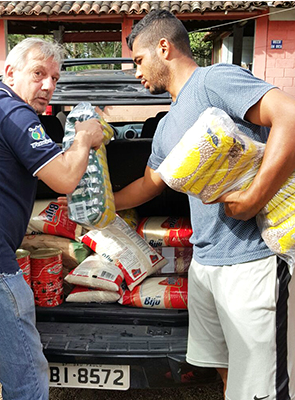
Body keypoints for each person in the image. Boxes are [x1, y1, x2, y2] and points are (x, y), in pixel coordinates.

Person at [114, 10, 295, 400]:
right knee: (229, 381)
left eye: (139, 61)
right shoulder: (165, 126)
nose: (136, 72)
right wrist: (100, 205)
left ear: (164, 48)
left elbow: (290, 118)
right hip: (206, 265)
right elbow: (149, 185)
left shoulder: (214, 81)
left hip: (252, 263)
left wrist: (253, 198)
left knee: (262, 388)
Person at [0, 38, 104, 400]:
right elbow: (63, 179)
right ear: (10, 72)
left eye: (55, 78)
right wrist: (84, 139)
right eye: (38, 73)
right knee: (27, 378)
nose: (48, 85)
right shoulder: (15, 113)